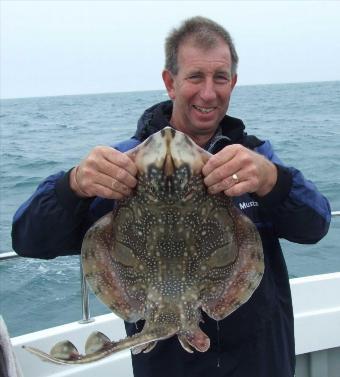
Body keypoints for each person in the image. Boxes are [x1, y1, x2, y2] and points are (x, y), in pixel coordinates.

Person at [12, 16, 331, 377]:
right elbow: (28, 240)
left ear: (233, 83)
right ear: (170, 82)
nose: (208, 93)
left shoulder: (254, 160)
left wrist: (273, 180)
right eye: (195, 77)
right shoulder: (125, 165)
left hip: (263, 364)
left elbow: (316, 225)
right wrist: (72, 186)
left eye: (220, 78)